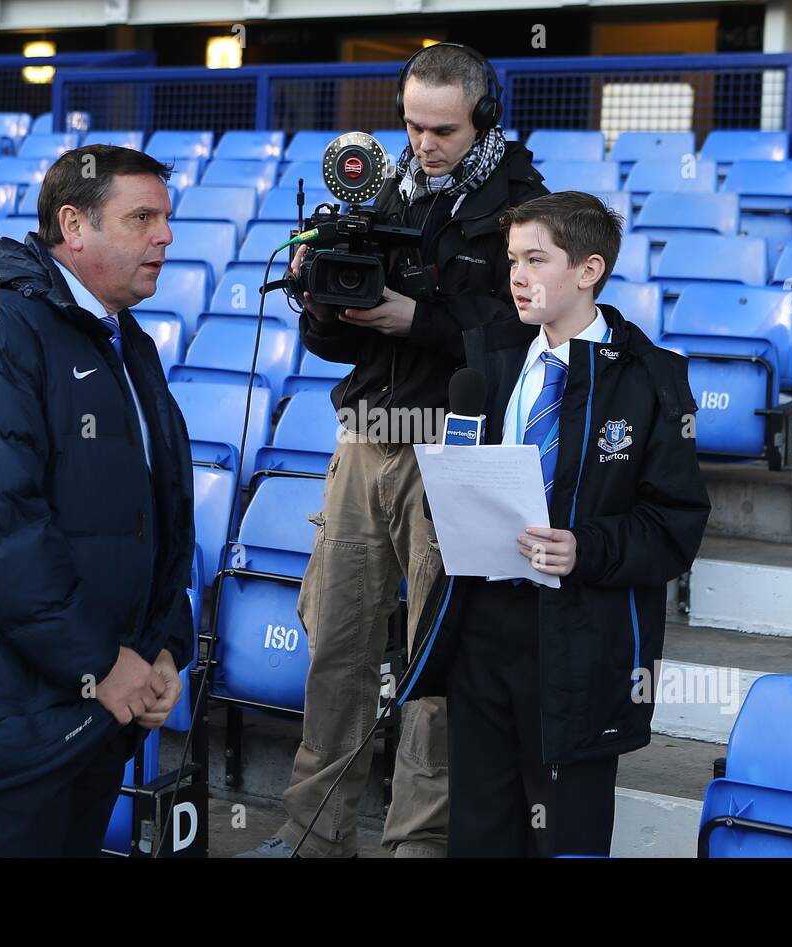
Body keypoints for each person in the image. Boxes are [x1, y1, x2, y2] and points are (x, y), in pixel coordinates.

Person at [241, 43, 548, 858]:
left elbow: (530, 339)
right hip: (365, 438)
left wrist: (423, 321)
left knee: (437, 662)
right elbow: (342, 338)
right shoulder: (377, 187)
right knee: (336, 643)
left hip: (458, 448)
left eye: (442, 128)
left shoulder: (527, 206)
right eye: (411, 125)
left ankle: (418, 843)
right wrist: (320, 297)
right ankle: (312, 833)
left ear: (485, 117)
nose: (423, 142)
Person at [0, 145, 197, 858]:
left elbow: (152, 514)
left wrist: (158, 647)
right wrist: (102, 658)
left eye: (167, 217)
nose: (166, 236)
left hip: (82, 717)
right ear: (74, 224)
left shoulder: (116, 334)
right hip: (3, 732)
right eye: (143, 217)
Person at [399, 191, 711, 857]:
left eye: (536, 259)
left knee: (563, 834)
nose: (516, 274)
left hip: (579, 641)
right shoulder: (492, 359)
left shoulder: (651, 379)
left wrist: (584, 548)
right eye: (512, 259)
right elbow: (454, 486)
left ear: (589, 269)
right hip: (483, 628)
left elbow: (674, 526)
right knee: (479, 829)